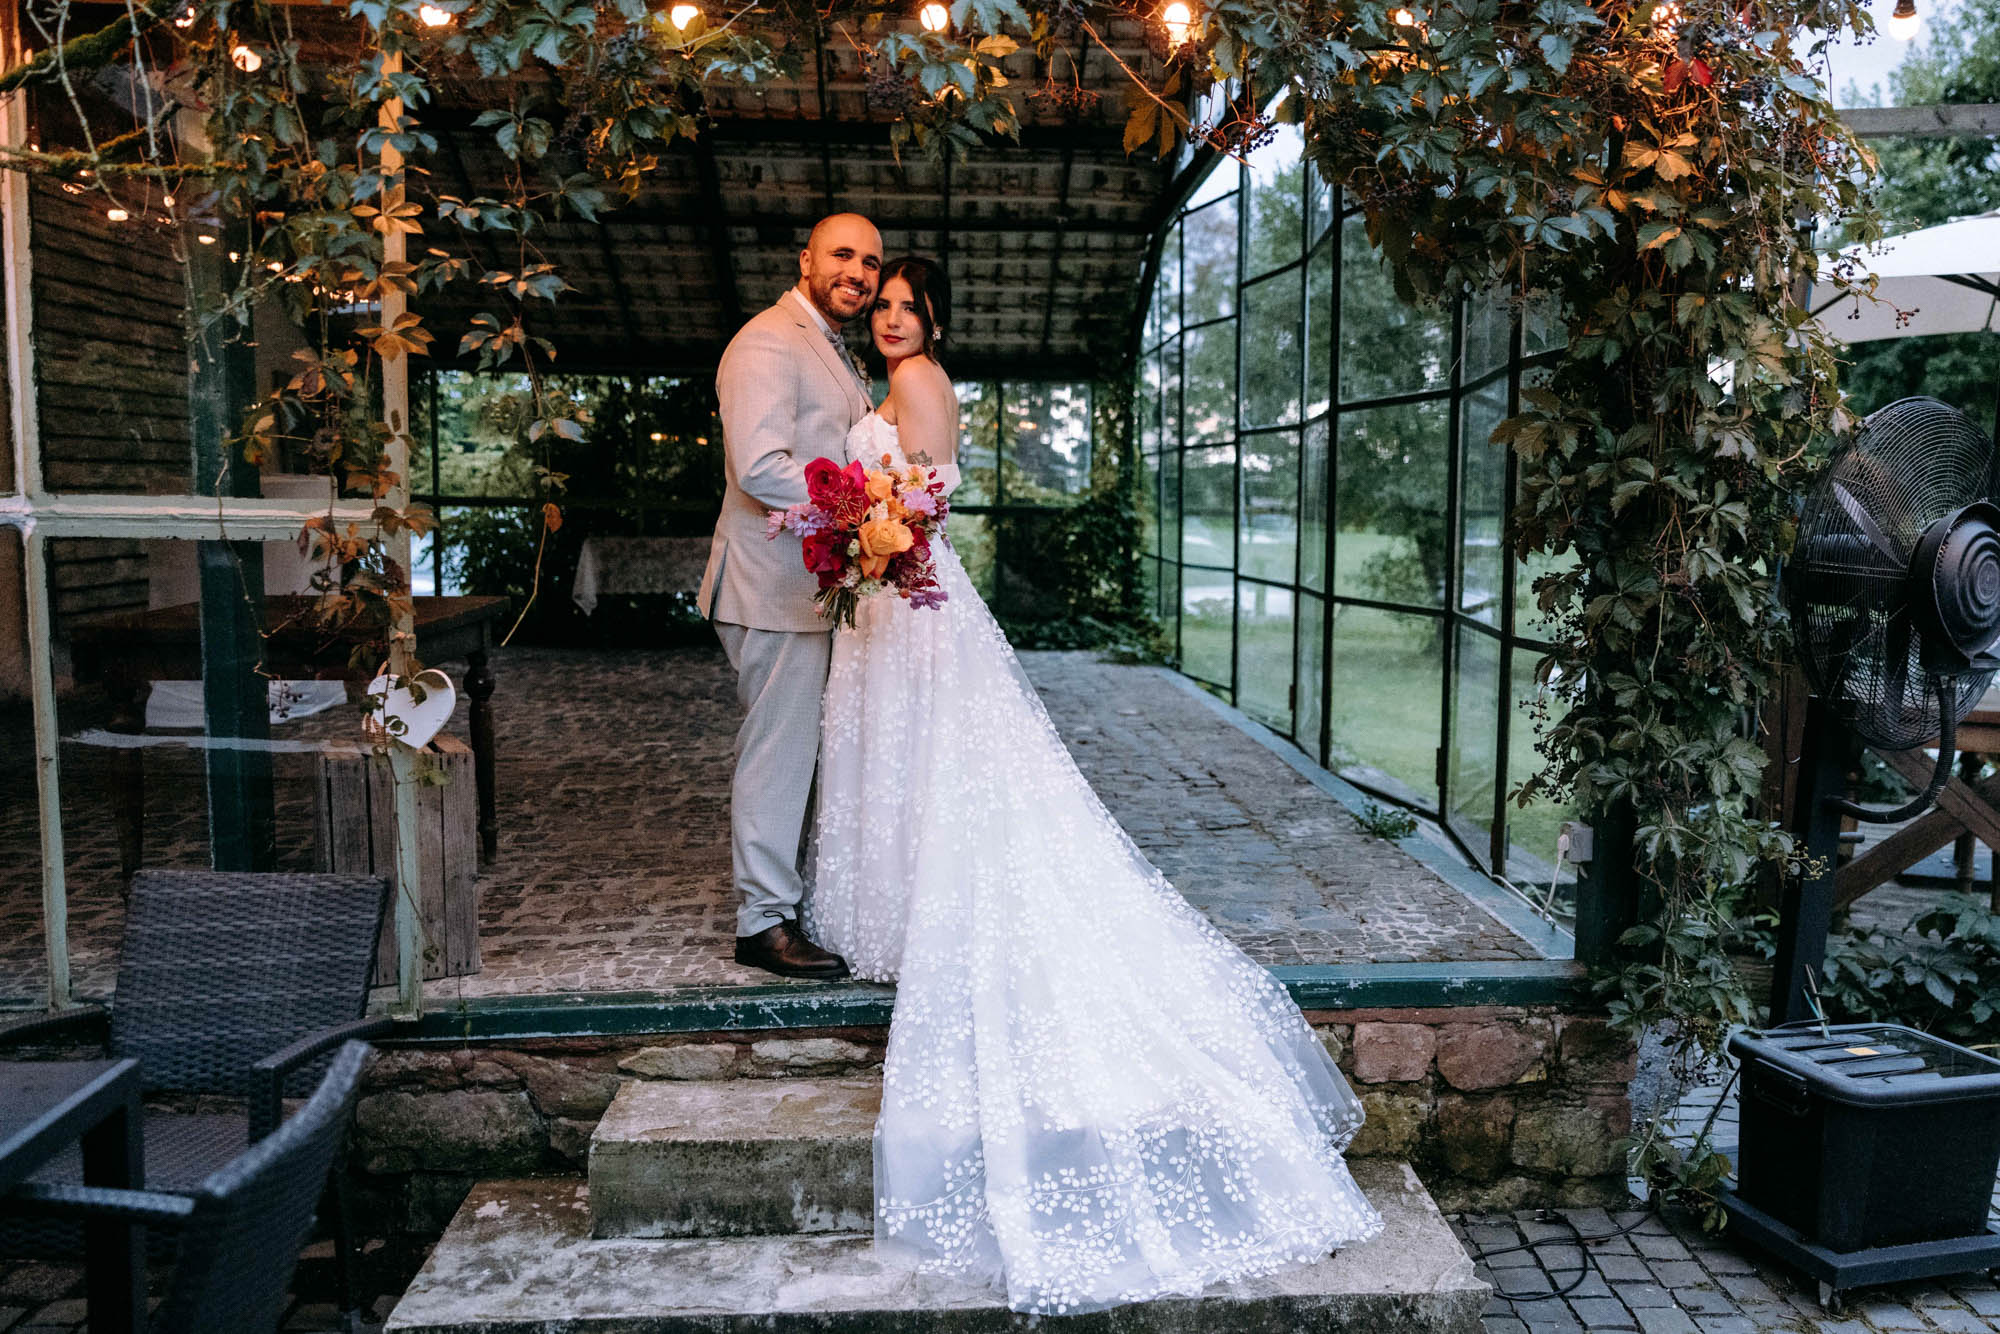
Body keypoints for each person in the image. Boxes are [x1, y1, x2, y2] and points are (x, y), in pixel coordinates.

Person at [803, 256, 1385, 1315]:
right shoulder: (877, 388)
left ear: (933, 316)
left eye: (906, 306)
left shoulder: (923, 381)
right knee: (896, 759)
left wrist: (879, 534)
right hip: (879, 595)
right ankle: (889, 906)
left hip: (912, 594)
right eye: (881, 306)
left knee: (943, 766)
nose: (890, 319)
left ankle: (925, 903)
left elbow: (933, 495)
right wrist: (854, 537)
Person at [698, 212, 879, 980]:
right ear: (804, 258)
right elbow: (761, 465)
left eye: (871, 262)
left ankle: (780, 903)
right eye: (842, 254)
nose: (859, 273)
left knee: (797, 749)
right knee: (777, 753)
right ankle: (761, 923)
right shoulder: (769, 340)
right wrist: (869, 508)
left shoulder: (830, 345)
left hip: (808, 586)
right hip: (769, 584)